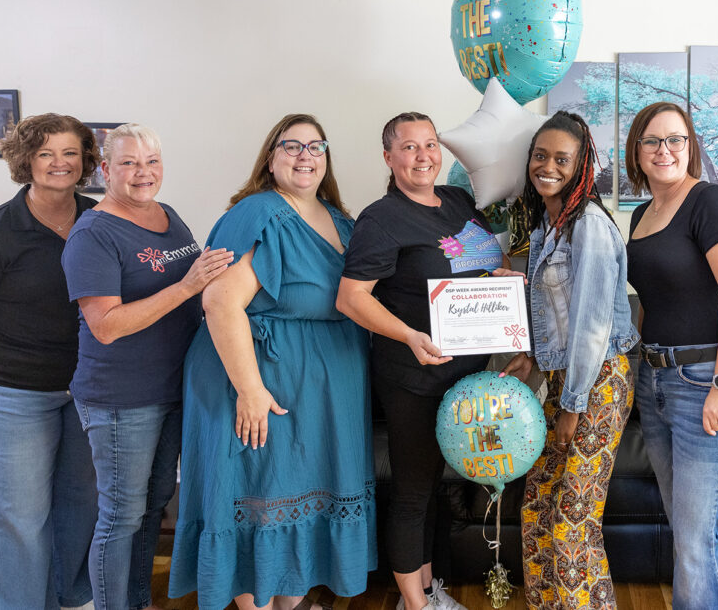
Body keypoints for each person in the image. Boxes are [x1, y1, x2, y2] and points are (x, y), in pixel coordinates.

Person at [169, 114, 376, 610]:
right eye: (292, 146)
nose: (305, 156)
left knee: (298, 496)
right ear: (270, 156)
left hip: (319, 391)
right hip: (259, 382)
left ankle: (289, 602)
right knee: (258, 496)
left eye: (315, 146)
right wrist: (251, 390)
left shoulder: (342, 220)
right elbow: (220, 303)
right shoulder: (257, 212)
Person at [336, 112, 506, 610]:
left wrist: (500, 281)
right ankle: (415, 602)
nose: (423, 156)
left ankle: (431, 589)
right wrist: (410, 336)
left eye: (430, 144)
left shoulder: (458, 201)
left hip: (467, 375)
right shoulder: (381, 218)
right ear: (388, 157)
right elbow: (351, 299)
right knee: (413, 491)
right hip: (415, 375)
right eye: (408, 148)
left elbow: (479, 264)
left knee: (435, 487)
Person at [61, 123, 233, 610]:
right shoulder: (93, 233)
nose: (143, 173)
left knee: (153, 507)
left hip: (173, 387)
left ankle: (135, 600)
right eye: (130, 163)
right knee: (121, 516)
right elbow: (107, 325)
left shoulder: (167, 214)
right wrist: (186, 287)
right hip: (121, 398)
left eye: (152, 162)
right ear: (105, 169)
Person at [0, 113, 100, 609]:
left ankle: (68, 599)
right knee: (17, 516)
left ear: (85, 162)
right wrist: (10, 334)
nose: (59, 163)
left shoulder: (100, 219)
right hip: (11, 394)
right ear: (26, 161)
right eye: (45, 154)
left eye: (70, 153)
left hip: (86, 391)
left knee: (80, 506)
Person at [498, 111, 638, 609]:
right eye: (540, 156)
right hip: (563, 379)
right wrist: (529, 360)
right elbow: (550, 317)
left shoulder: (591, 227)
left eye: (562, 158)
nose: (548, 167)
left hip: (595, 383)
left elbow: (590, 326)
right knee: (536, 505)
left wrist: (573, 405)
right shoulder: (547, 226)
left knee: (571, 521)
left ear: (581, 166)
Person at [624, 101, 718, 610]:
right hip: (656, 379)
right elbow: (652, 300)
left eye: (676, 139)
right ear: (637, 152)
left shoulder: (710, 203)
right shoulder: (641, 213)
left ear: (691, 145)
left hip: (708, 379)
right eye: (652, 141)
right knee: (687, 530)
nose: (665, 150)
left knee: (696, 536)